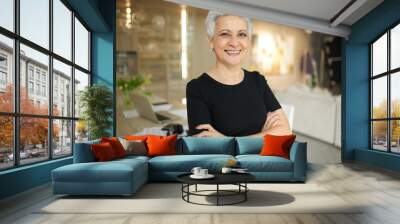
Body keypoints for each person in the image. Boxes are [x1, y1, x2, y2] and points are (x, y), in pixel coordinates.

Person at [186, 11, 292, 137]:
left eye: (242, 34)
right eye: (225, 34)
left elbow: (285, 131)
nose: (234, 43)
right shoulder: (197, 88)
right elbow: (204, 146)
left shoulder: (257, 81)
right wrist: (264, 134)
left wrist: (226, 140)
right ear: (211, 41)